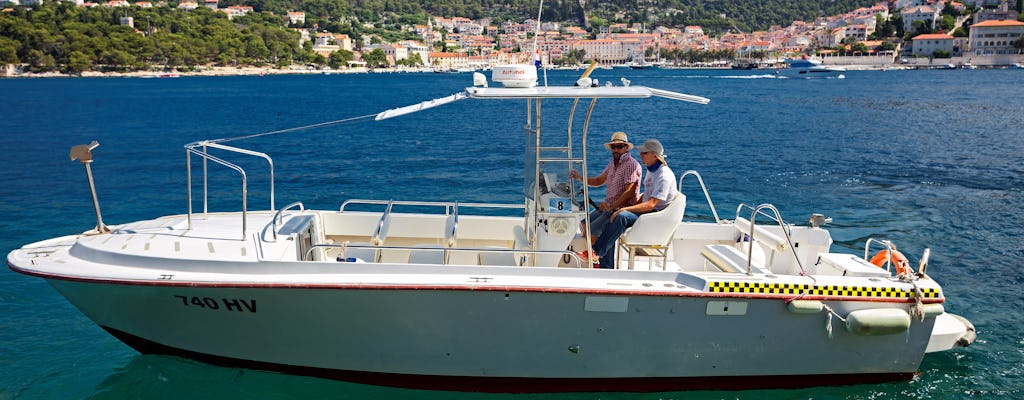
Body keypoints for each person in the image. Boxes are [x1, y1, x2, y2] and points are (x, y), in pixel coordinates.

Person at [590, 138, 677, 269]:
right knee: (612, 216)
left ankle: (596, 252)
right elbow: (646, 196)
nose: (641, 155)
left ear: (654, 155)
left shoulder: (663, 176)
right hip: (647, 212)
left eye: (644, 153)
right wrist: (624, 208)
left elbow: (651, 204)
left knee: (621, 216)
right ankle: (605, 267)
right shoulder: (652, 170)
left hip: (654, 216)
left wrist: (624, 210)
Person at [568, 131, 642, 260]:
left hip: (619, 209)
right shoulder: (612, 164)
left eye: (619, 146)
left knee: (593, 229)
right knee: (583, 224)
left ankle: (598, 258)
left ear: (626, 148)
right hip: (608, 206)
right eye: (613, 147)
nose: (616, 149)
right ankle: (599, 259)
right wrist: (580, 178)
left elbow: (629, 191)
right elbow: (598, 181)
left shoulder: (631, 164)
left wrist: (612, 206)